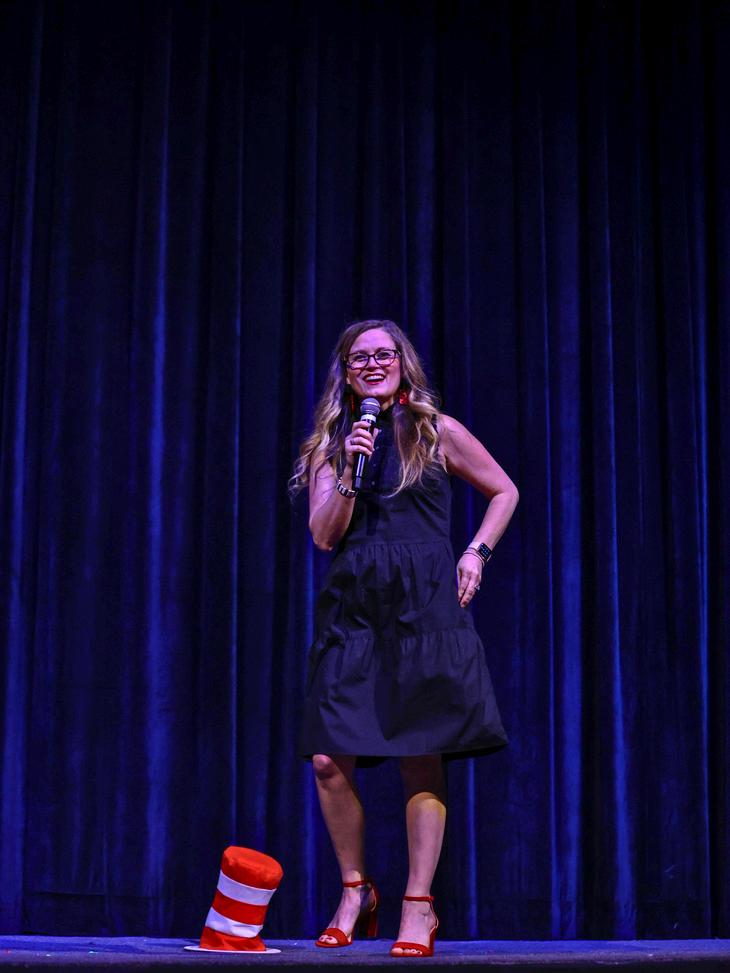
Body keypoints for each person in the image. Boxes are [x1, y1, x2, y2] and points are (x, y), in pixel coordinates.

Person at [289, 319, 518, 957]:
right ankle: (355, 889)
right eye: (359, 357)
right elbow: (325, 536)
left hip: (424, 609)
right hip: (355, 611)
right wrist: (349, 467)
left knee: (422, 753)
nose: (372, 364)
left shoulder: (435, 431)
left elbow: (504, 491)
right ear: (345, 371)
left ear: (402, 362)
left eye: (383, 354)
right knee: (329, 758)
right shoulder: (332, 445)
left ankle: (419, 903)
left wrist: (476, 553)